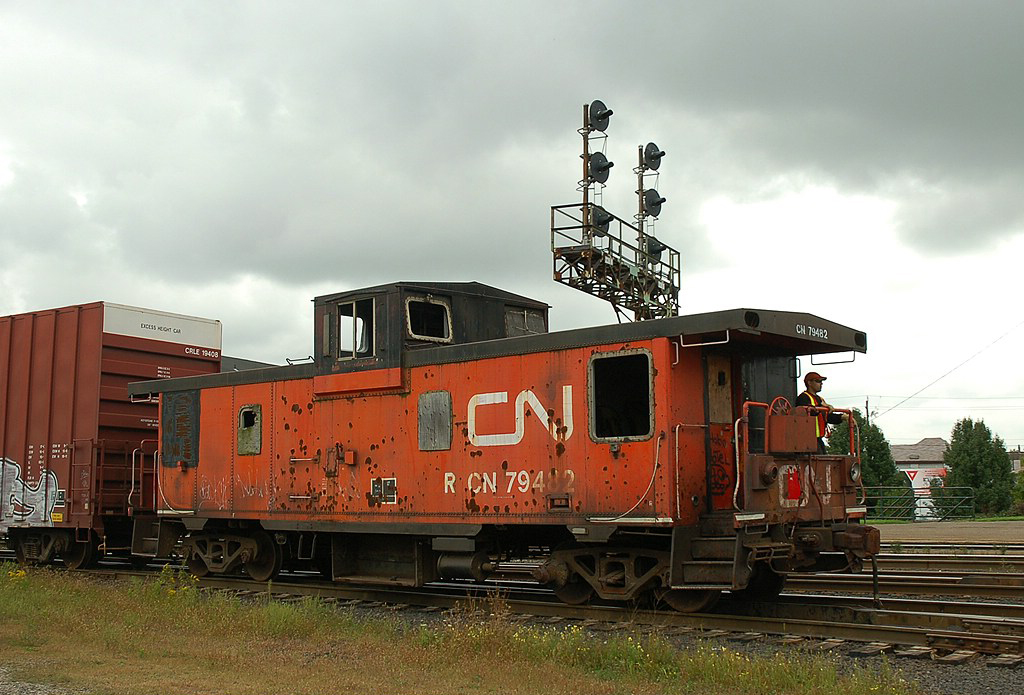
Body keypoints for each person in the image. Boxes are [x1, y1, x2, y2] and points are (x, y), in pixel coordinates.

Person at [795, 372, 845, 453]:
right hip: (807, 440)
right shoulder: (803, 398)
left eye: (821, 381)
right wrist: (822, 407)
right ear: (809, 383)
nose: (821, 383)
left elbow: (827, 417)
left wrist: (842, 417)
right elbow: (809, 413)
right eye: (818, 381)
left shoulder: (820, 399)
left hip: (818, 439)